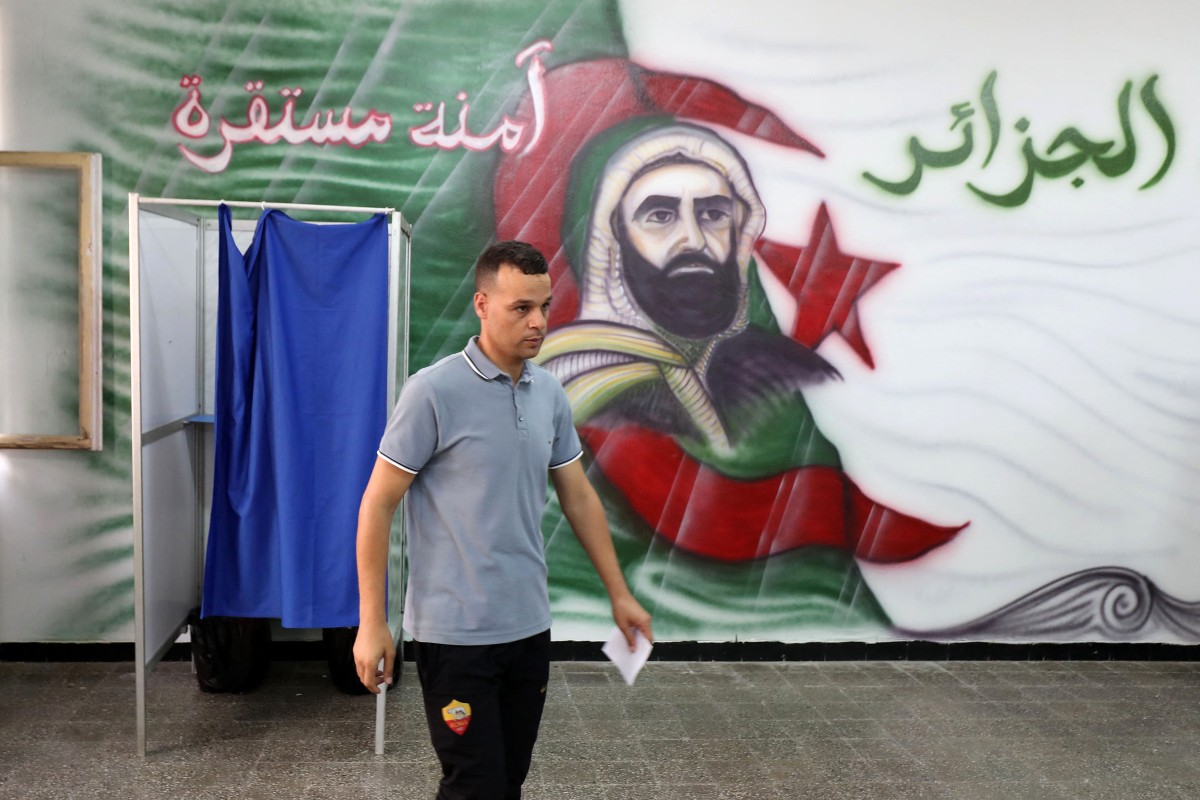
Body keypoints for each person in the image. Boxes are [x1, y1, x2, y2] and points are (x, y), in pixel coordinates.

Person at [353, 240, 653, 800]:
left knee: (507, 779)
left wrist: (620, 592)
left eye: (545, 306)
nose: (538, 322)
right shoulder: (433, 391)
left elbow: (579, 498)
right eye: (522, 308)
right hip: (455, 633)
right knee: (476, 785)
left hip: (527, 627)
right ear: (483, 304)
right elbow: (377, 504)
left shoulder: (549, 394)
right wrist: (373, 623)